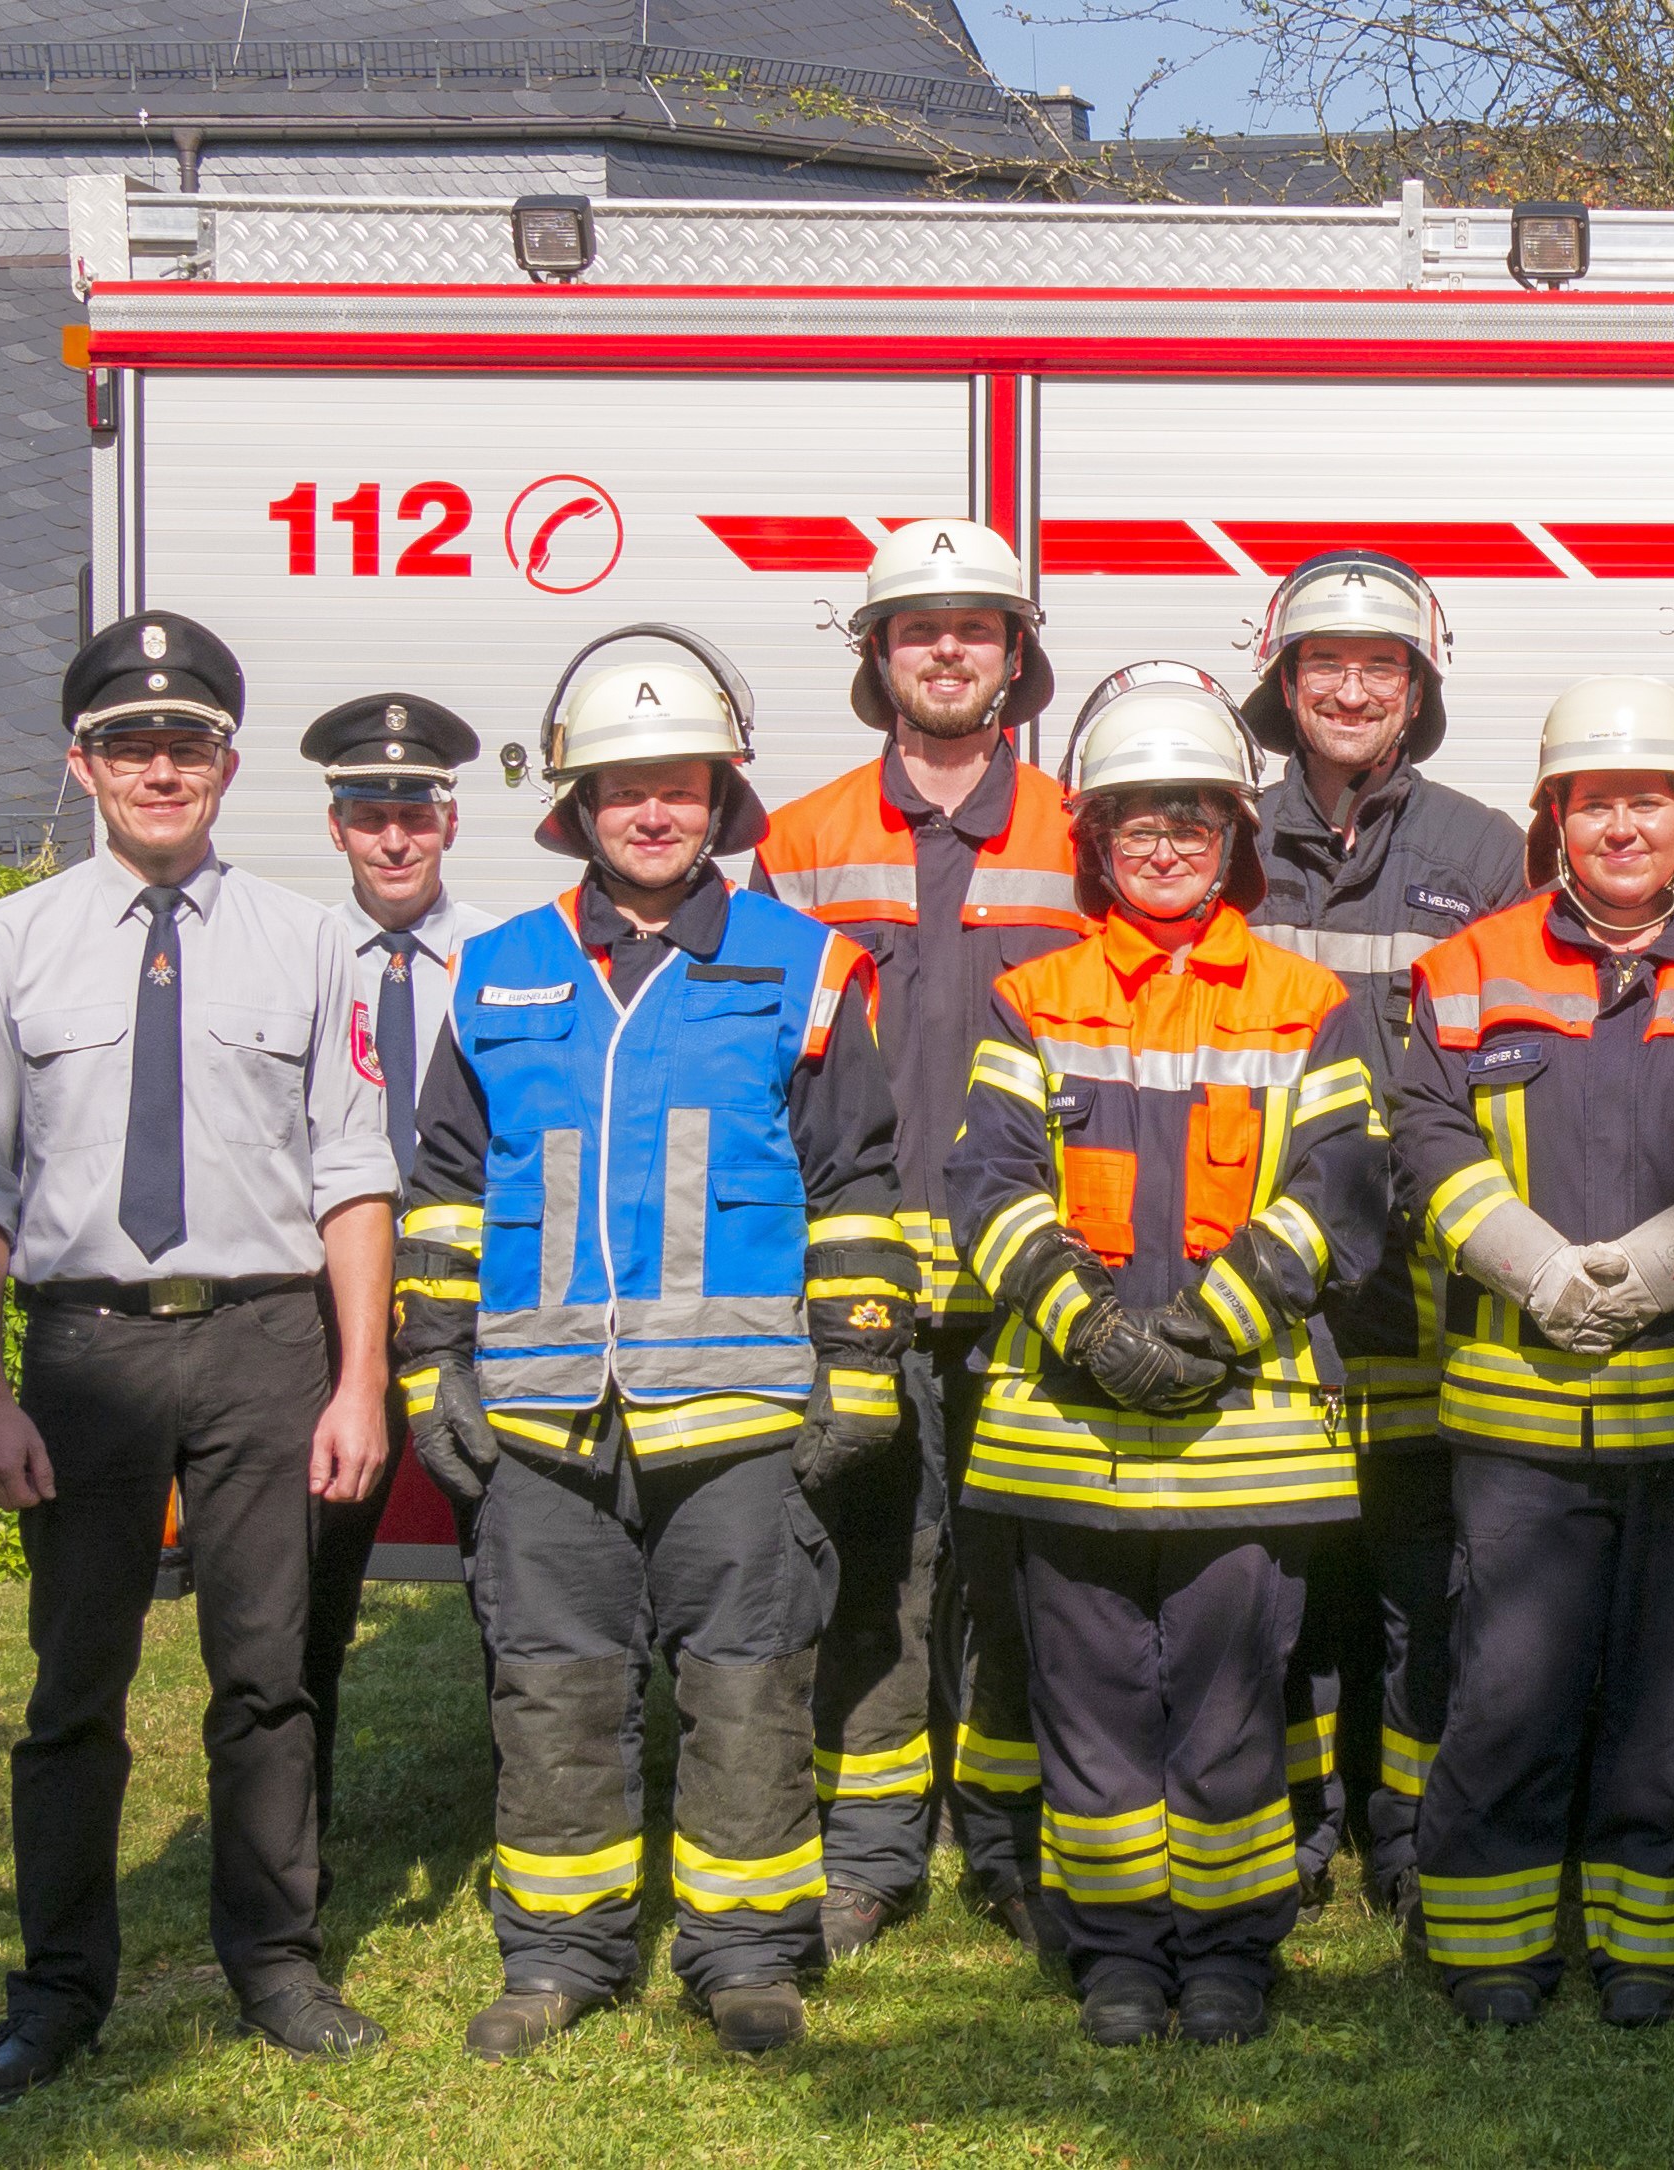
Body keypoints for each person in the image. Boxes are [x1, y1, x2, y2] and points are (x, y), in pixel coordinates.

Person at [393, 627, 909, 2059]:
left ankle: (746, 1954)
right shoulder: (498, 971)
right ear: (574, 803)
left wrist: (858, 1368)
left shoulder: (803, 967)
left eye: (678, 783)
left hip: (739, 1416)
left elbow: (857, 1184)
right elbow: (442, 1186)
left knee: (749, 1688)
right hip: (547, 1416)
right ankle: (561, 1952)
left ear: (722, 796)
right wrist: (432, 1361)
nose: (651, 810)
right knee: (552, 1684)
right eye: (621, 787)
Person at [0, 614, 401, 2100]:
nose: (159, 766)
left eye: (186, 742)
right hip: (86, 1356)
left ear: (227, 763)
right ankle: (58, 1992)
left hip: (267, 1342)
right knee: (76, 1688)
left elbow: (353, 1169)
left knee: (267, 1676)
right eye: (129, 742)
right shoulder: (7, 942)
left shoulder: (309, 939)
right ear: (84, 761)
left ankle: (274, 1960)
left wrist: (359, 1378)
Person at [946, 663, 1387, 2048]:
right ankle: (1121, 1949)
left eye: (1194, 816)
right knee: (1092, 1708)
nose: (1166, 843)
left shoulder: (1310, 1000)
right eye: (1139, 819)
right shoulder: (1036, 996)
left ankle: (1233, 1948)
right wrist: (1093, 1328)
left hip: (1242, 1431)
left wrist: (1201, 1329)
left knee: (1227, 1701)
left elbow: (1344, 1195)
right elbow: (986, 1191)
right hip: (1068, 1432)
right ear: (1095, 836)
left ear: (1236, 833)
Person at [1396, 677, 1674, 2029]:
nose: (1623, 824)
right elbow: (1427, 1139)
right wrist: (1537, 1268)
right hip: (1523, 1410)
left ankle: (1656, 1939)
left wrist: (1653, 1272)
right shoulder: (1469, 965)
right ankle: (1491, 1943)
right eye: (1595, 801)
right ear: (1554, 818)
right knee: (1507, 1681)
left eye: (1648, 798)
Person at [754, 518, 1087, 1962]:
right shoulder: (802, 837)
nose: (947, 649)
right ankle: (874, 1850)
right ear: (878, 656)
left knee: (1022, 1558)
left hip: (1035, 1268)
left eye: (976, 626)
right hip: (864, 1271)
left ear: (1017, 656)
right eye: (917, 626)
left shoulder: (1087, 825)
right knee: (872, 1560)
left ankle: (1013, 1842)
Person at [1235, 550, 1528, 1921]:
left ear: (1418, 692)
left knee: (1423, 1575)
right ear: (1283, 686)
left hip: (1422, 1281)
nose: (1352, 688)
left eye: (1382, 666)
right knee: (1282, 1576)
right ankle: (1289, 1829)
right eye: (1324, 664)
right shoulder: (1224, 837)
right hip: (1266, 1278)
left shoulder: (1486, 852)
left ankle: (1411, 1831)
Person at [303, 689, 499, 1826]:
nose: (391, 837)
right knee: (311, 1585)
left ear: (448, 821)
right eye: (368, 812)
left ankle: (525, 1817)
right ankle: (297, 1820)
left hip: (471, 1311)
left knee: (505, 1570)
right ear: (335, 826)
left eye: (412, 813)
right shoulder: (297, 958)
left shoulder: (506, 958)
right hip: (327, 1315)